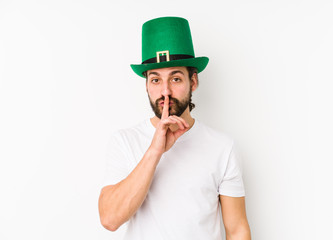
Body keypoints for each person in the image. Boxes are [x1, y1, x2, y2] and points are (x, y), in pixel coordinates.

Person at [98, 16, 251, 240]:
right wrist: (155, 151)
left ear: (194, 82)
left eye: (176, 79)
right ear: (147, 85)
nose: (165, 91)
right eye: (156, 80)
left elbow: (237, 229)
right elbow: (110, 219)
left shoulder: (222, 147)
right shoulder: (124, 141)